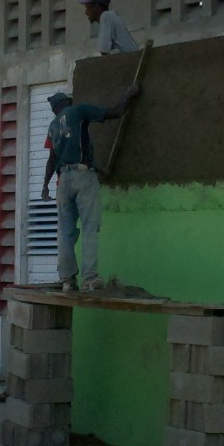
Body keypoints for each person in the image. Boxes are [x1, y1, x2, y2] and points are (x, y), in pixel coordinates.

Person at [40, 86, 139, 292]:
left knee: (66, 233)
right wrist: (129, 94)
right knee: (90, 228)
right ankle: (89, 279)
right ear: (65, 103)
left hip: (62, 181)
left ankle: (67, 279)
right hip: (82, 177)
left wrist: (45, 186)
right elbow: (115, 112)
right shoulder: (77, 111)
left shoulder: (52, 126)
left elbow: (52, 160)